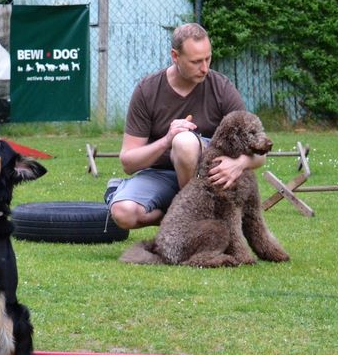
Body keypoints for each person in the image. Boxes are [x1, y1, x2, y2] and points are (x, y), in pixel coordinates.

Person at [106, 22, 266, 230]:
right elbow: (128, 162)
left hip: (208, 176)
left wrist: (239, 164)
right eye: (196, 61)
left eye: (208, 58)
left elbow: (261, 153)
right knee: (123, 213)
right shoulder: (147, 90)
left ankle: (193, 218)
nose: (205, 68)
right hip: (161, 175)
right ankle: (186, 218)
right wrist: (165, 141)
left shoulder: (222, 88)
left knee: (185, 142)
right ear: (175, 56)